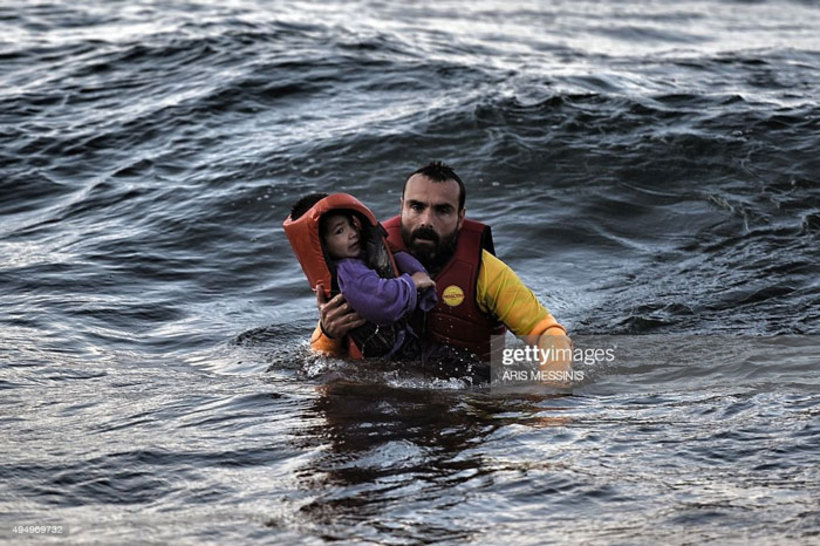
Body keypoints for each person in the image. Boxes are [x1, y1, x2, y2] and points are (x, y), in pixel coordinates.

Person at [310, 162, 571, 376]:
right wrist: (329, 333)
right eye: (416, 207)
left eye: (442, 210)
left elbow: (549, 333)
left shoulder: (487, 272)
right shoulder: (363, 261)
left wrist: (550, 400)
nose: (426, 221)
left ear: (461, 218)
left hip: (467, 400)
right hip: (386, 397)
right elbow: (320, 359)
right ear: (401, 206)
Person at [284, 192, 437, 359]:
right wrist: (412, 283)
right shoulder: (349, 271)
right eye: (340, 231)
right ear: (322, 245)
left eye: (352, 225)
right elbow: (380, 301)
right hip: (391, 356)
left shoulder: (362, 257)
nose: (352, 233)